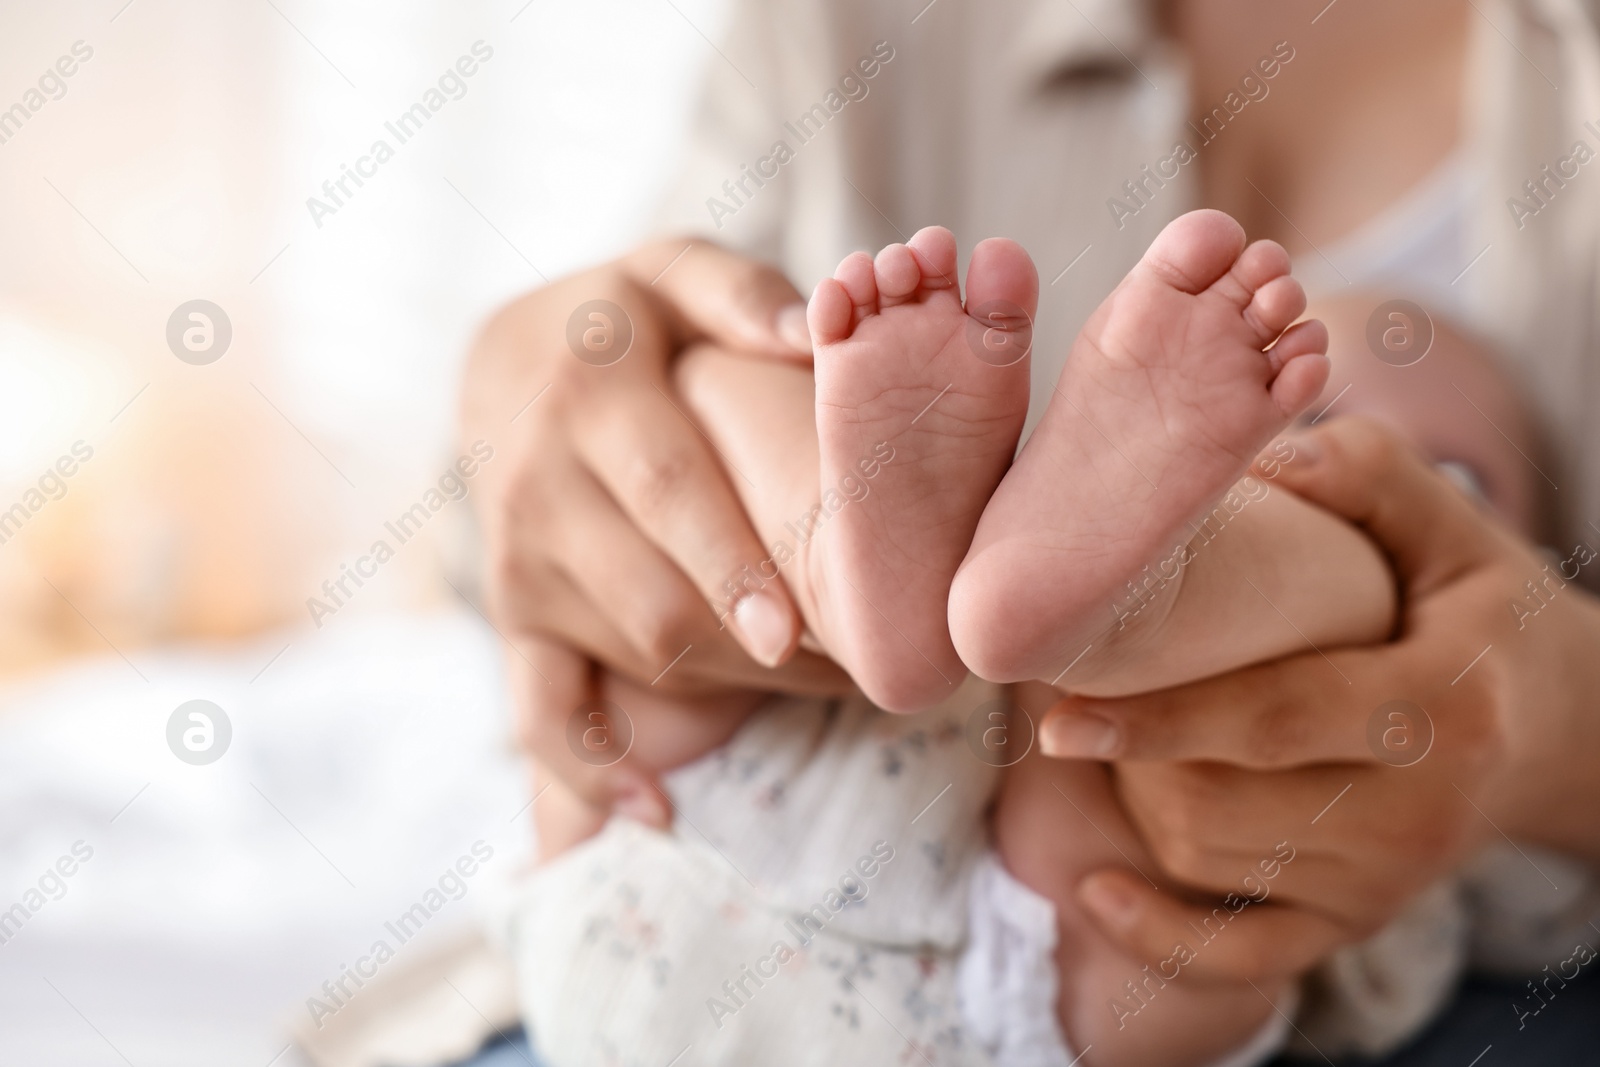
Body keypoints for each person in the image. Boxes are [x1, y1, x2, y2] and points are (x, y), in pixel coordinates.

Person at [460, 0, 1600, 1059]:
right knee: (729, 378)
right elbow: (494, 560)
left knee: (1291, 632)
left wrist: (1556, 718)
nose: (1294, 455)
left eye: (1447, 471)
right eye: (1296, 415)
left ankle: (1096, 586)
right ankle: (870, 562)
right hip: (733, 806)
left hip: (999, 940)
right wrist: (534, 374)